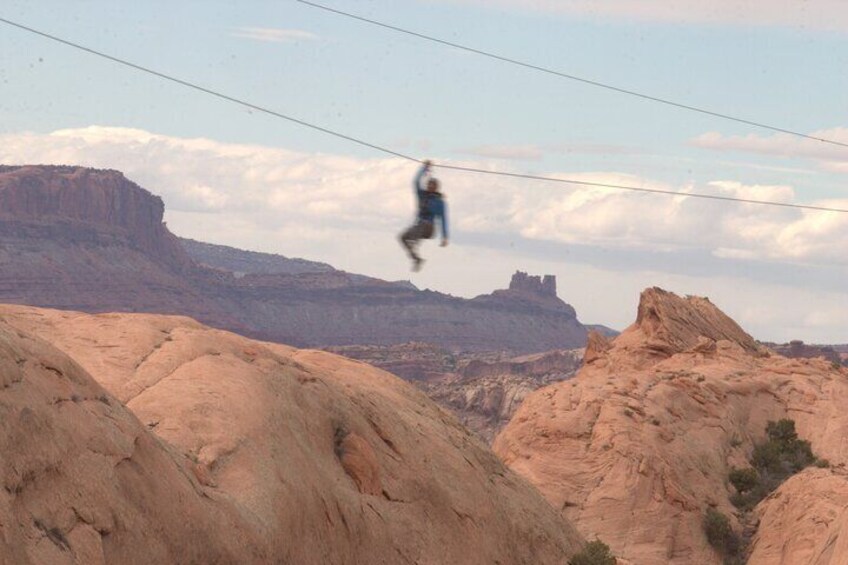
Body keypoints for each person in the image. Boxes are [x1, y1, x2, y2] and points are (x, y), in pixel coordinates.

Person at [399, 160, 448, 271]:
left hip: (429, 229)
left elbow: (443, 219)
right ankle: (416, 259)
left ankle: (414, 242)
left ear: (436, 187)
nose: (430, 186)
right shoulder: (422, 195)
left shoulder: (439, 202)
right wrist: (424, 168)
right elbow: (416, 181)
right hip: (418, 227)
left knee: (422, 224)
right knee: (402, 237)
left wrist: (445, 237)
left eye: (432, 185)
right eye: (429, 184)